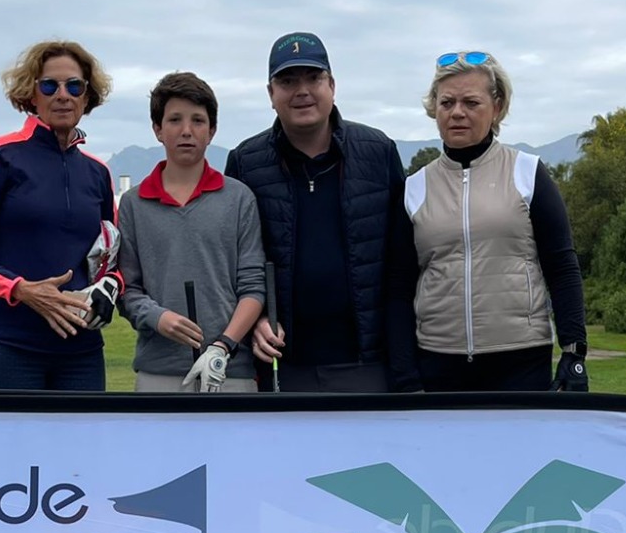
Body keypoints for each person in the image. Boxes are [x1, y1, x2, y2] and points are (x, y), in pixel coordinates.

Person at [225, 32, 418, 392]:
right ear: (270, 93)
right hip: (282, 364)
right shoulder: (245, 163)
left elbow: (401, 262)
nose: (302, 91)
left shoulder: (378, 152)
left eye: (313, 78)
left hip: (367, 362)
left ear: (332, 85)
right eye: (287, 81)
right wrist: (256, 320)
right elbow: (235, 262)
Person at [404, 52, 589, 392]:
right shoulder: (414, 187)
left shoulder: (527, 173)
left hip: (520, 362)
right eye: (447, 102)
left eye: (471, 102)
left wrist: (574, 351)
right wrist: (404, 372)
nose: (457, 112)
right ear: (434, 108)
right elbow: (398, 286)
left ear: (497, 107)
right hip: (438, 361)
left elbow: (561, 265)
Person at [0, 40, 120, 390]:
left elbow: (113, 256)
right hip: (10, 348)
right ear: (31, 94)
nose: (63, 95)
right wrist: (21, 290)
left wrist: (112, 286)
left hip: (82, 353)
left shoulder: (98, 172)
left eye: (74, 86)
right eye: (49, 86)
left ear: (87, 96)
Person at [116, 73, 267, 393]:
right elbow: (127, 290)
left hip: (229, 371)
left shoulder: (239, 199)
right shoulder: (133, 204)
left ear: (211, 131)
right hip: (159, 371)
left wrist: (223, 345)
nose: (186, 130)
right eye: (175, 120)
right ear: (158, 129)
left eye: (198, 120)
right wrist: (156, 317)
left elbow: (253, 287)